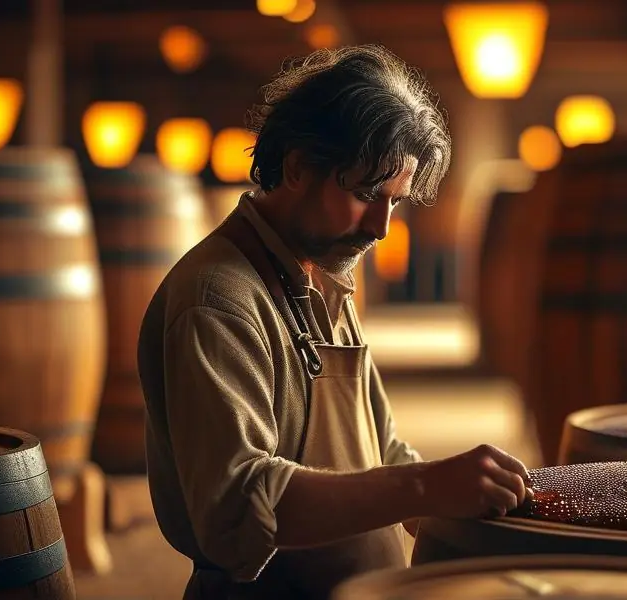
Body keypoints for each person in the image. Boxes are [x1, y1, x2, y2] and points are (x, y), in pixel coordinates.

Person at [137, 44, 533, 600]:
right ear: (297, 166)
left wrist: (476, 503)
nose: (382, 227)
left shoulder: (320, 271)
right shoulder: (218, 297)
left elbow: (383, 450)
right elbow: (236, 506)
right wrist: (423, 487)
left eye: (395, 202)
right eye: (367, 195)